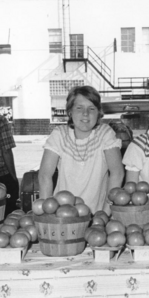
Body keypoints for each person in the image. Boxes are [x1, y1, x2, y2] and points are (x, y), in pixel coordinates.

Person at [38, 85, 124, 213]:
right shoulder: (59, 134)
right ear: (70, 111)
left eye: (91, 108)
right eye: (79, 108)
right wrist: (46, 212)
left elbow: (117, 173)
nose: (85, 113)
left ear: (98, 113)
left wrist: (105, 214)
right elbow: (45, 175)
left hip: (97, 214)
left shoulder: (105, 133)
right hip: (63, 214)